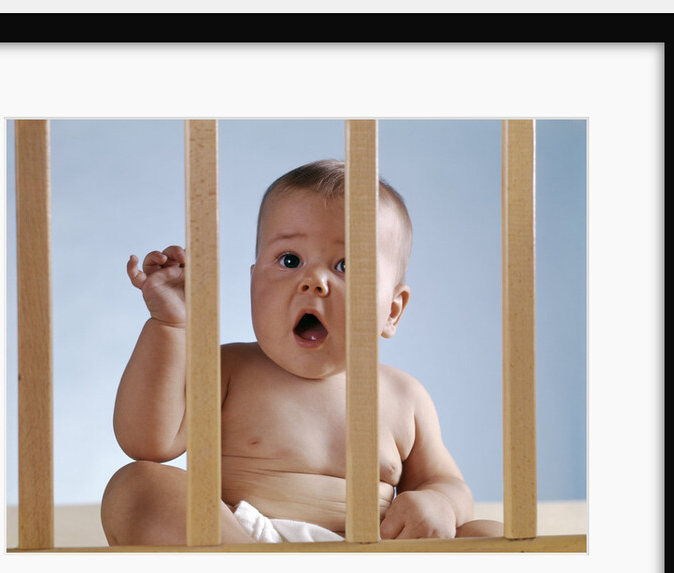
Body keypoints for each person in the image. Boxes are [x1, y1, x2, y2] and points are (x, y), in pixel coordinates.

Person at [101, 159, 503, 545]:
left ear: (392, 311)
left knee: (490, 535)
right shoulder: (227, 370)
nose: (314, 281)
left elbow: (449, 485)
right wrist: (172, 325)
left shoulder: (404, 397)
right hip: (244, 540)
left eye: (345, 266)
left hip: (370, 549)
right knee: (137, 485)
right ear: (254, 280)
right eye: (290, 260)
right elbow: (148, 442)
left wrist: (438, 503)